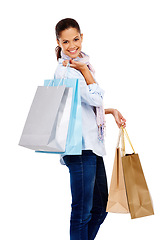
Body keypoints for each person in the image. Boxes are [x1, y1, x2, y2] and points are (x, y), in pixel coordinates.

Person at [54, 18, 126, 240]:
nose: (72, 46)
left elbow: (82, 106)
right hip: (79, 148)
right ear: (59, 42)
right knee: (82, 213)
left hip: (91, 147)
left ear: (81, 37)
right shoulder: (67, 71)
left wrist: (111, 110)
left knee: (100, 207)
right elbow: (95, 97)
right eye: (66, 42)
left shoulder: (78, 67)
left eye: (75, 39)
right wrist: (86, 71)